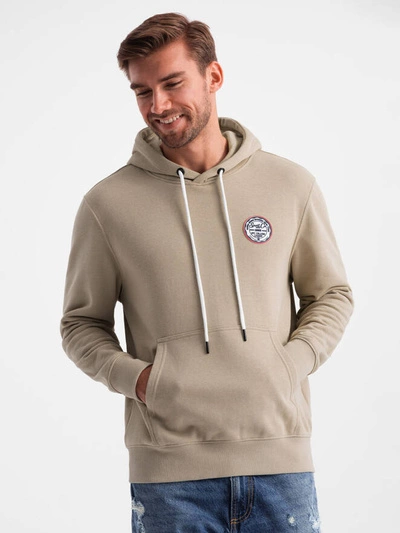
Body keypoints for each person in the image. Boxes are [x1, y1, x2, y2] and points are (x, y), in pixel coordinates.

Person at [61, 12, 354, 533]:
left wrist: (288, 366)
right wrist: (143, 382)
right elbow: (81, 324)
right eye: (142, 91)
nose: (158, 105)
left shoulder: (289, 185)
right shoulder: (108, 204)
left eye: (172, 83)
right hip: (170, 477)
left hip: (280, 463)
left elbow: (330, 293)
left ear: (213, 76)